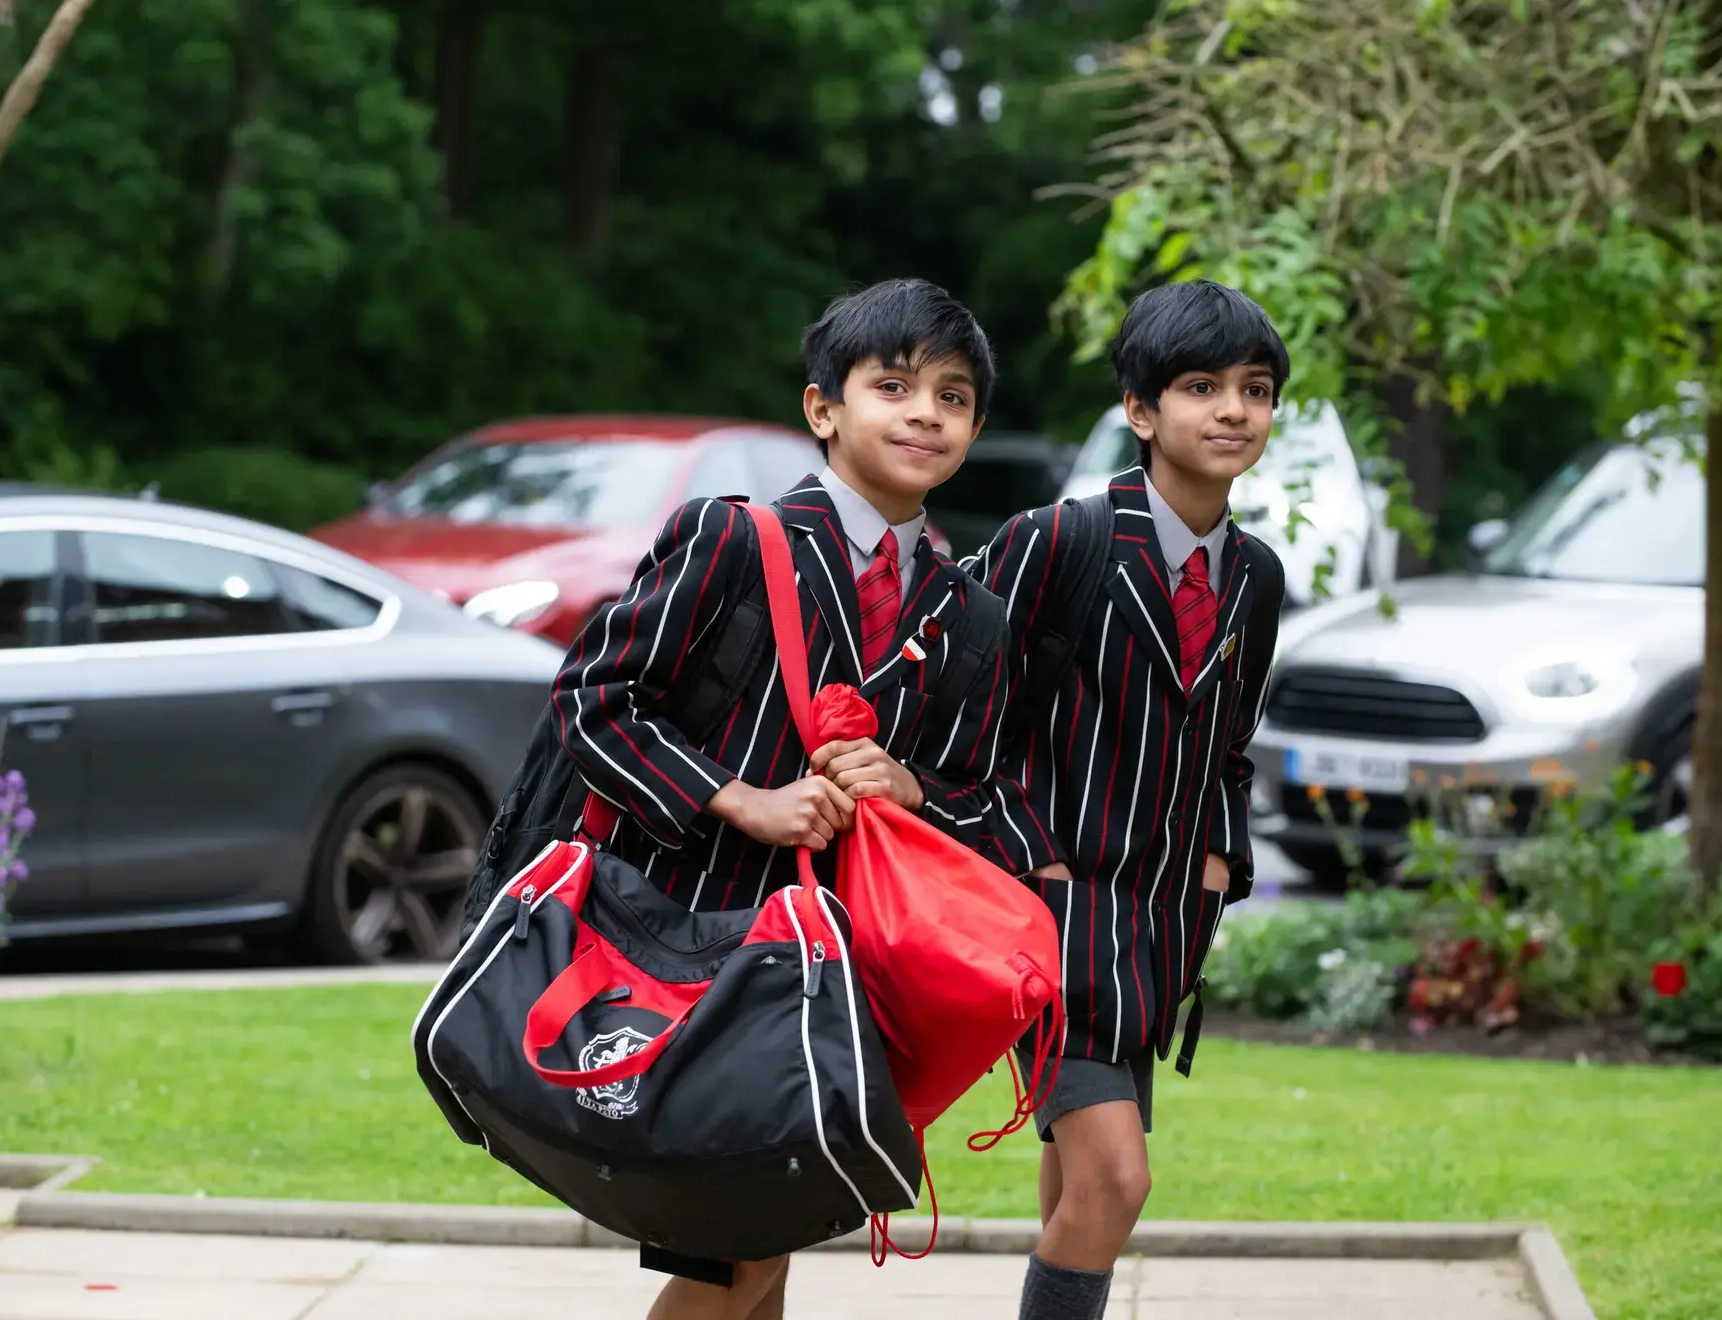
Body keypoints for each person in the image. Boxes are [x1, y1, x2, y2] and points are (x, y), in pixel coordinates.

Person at [550, 277, 1014, 1320]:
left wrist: (909, 786)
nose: (925, 414)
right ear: (823, 408)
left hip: (845, 977)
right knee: (744, 1249)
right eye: (893, 386)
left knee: (770, 1243)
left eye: (952, 397)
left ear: (975, 429)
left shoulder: (970, 615)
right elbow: (595, 700)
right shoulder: (734, 541)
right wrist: (737, 798)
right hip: (695, 951)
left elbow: (977, 795)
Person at [969, 279, 1289, 1320]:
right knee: (1116, 1179)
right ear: (1141, 411)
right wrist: (1036, 859)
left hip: (1159, 926)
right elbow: (964, 718)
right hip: (1050, 920)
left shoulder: (1256, 577)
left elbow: (1229, 745)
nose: (1233, 410)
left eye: (1255, 389)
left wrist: (1218, 864)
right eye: (1202, 387)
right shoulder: (1057, 540)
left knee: (1080, 1184)